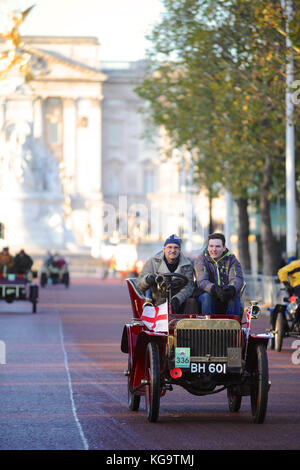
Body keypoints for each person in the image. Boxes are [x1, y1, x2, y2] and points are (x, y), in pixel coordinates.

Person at [136, 234, 195, 314]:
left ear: (180, 249)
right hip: (158, 299)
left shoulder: (187, 264)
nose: (173, 250)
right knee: (162, 302)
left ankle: (190, 325)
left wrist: (177, 299)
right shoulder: (153, 262)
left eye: (176, 248)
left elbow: (189, 287)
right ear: (164, 249)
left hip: (179, 299)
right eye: (169, 247)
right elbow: (139, 284)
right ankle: (160, 325)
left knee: (192, 302)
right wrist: (148, 279)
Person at [194, 232, 244, 316]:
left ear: (224, 248)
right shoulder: (201, 259)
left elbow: (237, 278)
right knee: (207, 297)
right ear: (208, 247)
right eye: (211, 246)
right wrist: (214, 289)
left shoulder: (232, 260)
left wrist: (231, 289)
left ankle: (232, 327)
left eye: (217, 246)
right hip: (206, 294)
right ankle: (208, 327)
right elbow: (202, 281)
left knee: (234, 296)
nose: (214, 249)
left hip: (226, 293)